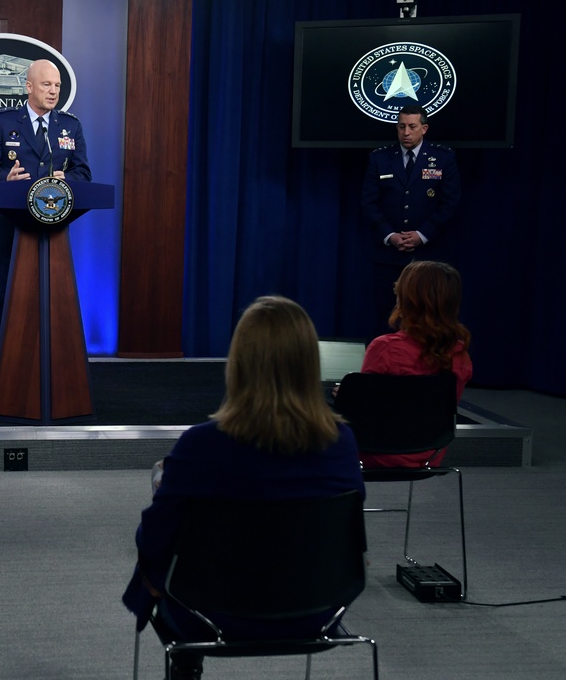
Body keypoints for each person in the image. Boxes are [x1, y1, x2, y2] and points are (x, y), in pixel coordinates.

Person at [123, 296, 365, 680]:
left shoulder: (200, 445)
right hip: (318, 610)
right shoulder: (343, 443)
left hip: (208, 614)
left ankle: (186, 664)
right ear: (309, 363)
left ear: (239, 362)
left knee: (161, 530)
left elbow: (152, 540)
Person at [0, 59, 91, 407]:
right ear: (29, 87)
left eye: (57, 87)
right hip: (11, 227)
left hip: (54, 227)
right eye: (47, 85)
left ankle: (59, 385)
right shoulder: (4, 123)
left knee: (55, 302)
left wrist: (70, 181)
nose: (53, 92)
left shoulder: (69, 126)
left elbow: (83, 173)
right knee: (2, 302)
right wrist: (5, 178)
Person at [358, 260, 472, 469]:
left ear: (407, 298)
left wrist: (348, 395)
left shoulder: (385, 347)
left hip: (375, 452)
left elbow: (363, 412)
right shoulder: (460, 354)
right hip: (429, 453)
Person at [360, 104, 460, 332]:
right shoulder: (380, 158)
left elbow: (450, 203)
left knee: (431, 318)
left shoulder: (443, 158)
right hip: (389, 256)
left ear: (424, 128)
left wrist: (422, 235)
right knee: (387, 319)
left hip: (428, 256)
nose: (406, 132)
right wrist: (390, 236)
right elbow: (369, 202)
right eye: (401, 126)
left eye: (412, 127)